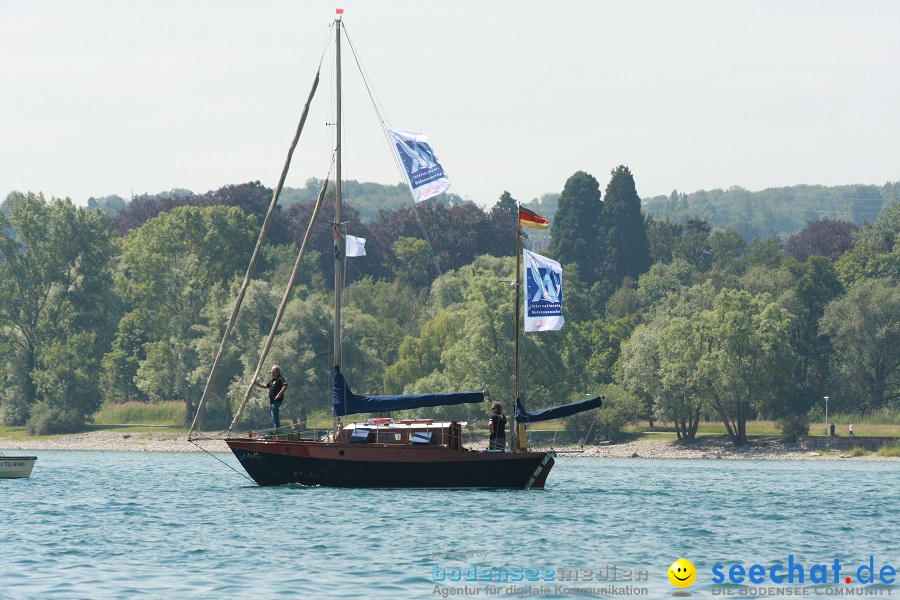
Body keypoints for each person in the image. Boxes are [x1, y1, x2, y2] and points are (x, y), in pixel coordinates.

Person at [254, 365, 287, 430]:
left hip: (276, 402)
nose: (271, 371)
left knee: (275, 417)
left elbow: (285, 386)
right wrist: (255, 383)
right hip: (271, 402)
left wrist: (279, 394)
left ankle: (278, 431)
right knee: (273, 418)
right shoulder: (273, 380)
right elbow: (265, 386)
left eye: (272, 370)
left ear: (276, 371)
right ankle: (276, 430)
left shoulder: (280, 379)